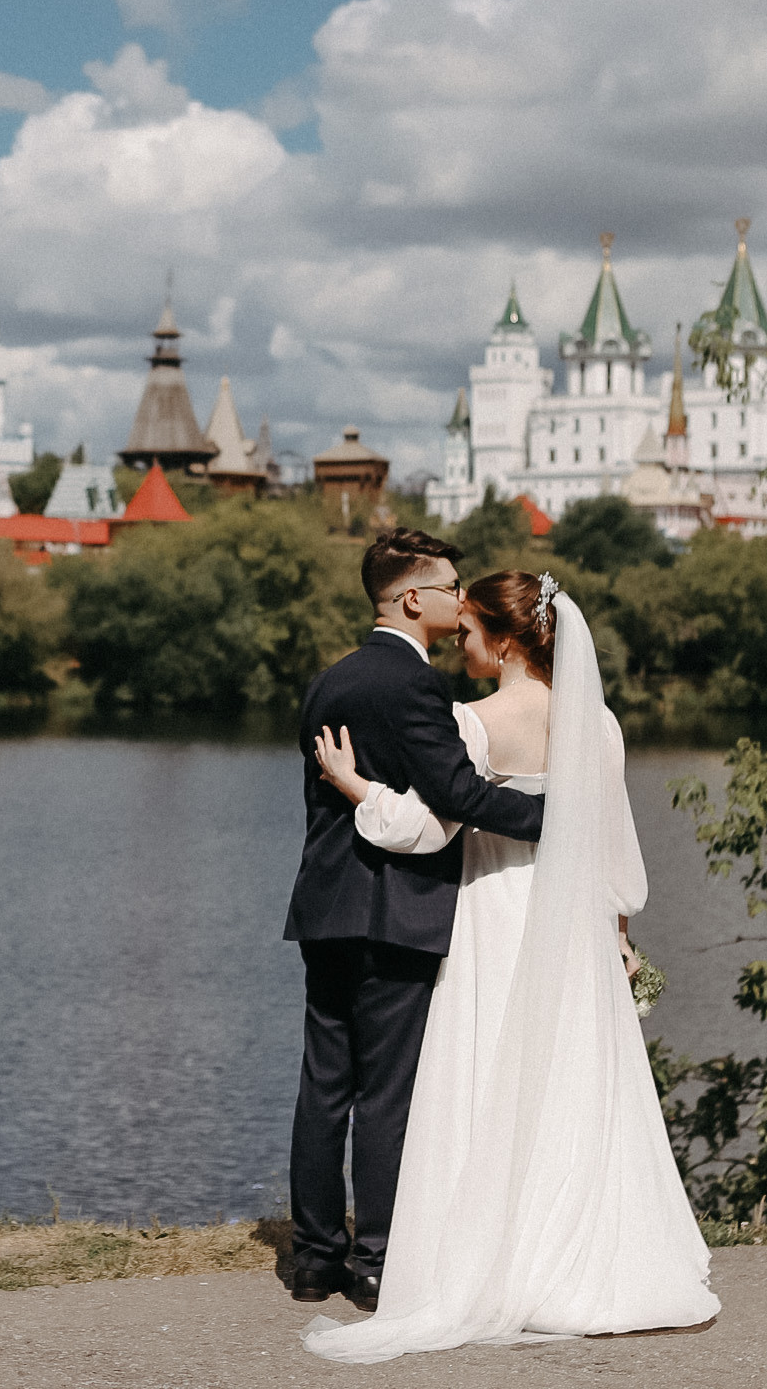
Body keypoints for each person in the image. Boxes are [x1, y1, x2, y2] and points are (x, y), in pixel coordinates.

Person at [301, 570, 720, 1358]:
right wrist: (619, 931)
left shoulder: (475, 721)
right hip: (576, 920)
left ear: (502, 640)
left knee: (488, 1074)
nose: (460, 645)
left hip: (496, 910)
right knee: (569, 1077)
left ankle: (489, 1258)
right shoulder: (599, 725)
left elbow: (427, 829)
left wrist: (357, 788)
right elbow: (615, 845)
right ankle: (581, 1257)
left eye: (468, 633)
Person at [284, 530, 548, 1312]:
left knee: (324, 1085)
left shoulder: (327, 683)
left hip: (326, 906)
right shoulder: (417, 687)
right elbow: (458, 796)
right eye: (449, 588)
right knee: (387, 1094)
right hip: (398, 909)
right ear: (411, 599)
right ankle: (375, 1261)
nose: (461, 600)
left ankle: (313, 1258)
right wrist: (560, 815)